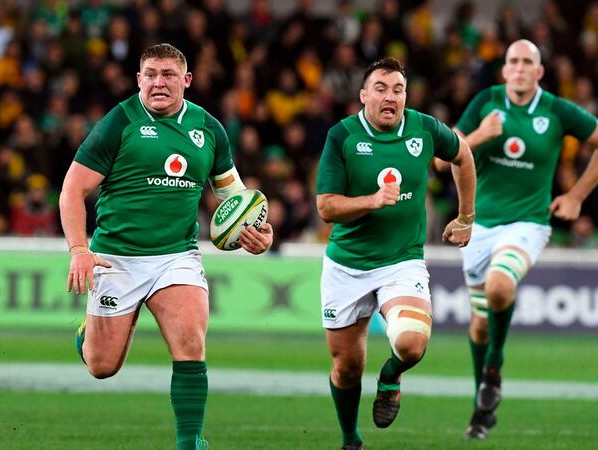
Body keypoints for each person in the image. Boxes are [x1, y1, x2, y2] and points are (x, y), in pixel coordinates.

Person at [59, 43, 273, 450]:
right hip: (116, 256)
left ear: (186, 81)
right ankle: (88, 336)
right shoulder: (118, 122)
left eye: (168, 75)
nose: (159, 82)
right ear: (139, 80)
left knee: (191, 340)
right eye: (151, 75)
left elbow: (235, 197)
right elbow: (72, 190)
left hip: (176, 256)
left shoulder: (209, 129)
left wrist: (261, 233)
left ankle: (190, 441)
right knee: (102, 367)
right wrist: (78, 250)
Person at [316, 57, 476, 450]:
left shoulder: (423, 128)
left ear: (406, 95)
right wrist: (370, 201)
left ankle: (391, 376)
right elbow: (325, 207)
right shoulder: (343, 136)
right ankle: (351, 438)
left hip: (401, 261)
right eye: (382, 89)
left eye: (398, 90)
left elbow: (464, 155)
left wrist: (466, 216)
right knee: (347, 367)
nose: (390, 97)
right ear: (363, 95)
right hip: (347, 265)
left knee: (410, 343)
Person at [444, 39, 598, 439]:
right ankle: (482, 407)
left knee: (500, 285)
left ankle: (495, 365)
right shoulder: (485, 101)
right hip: (477, 225)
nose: (520, 68)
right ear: (505, 69)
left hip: (527, 223)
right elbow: (443, 159)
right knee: (479, 324)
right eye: (513, 61)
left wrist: (577, 195)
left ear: (539, 71)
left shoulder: (557, 110)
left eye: (528, 62)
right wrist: (476, 136)